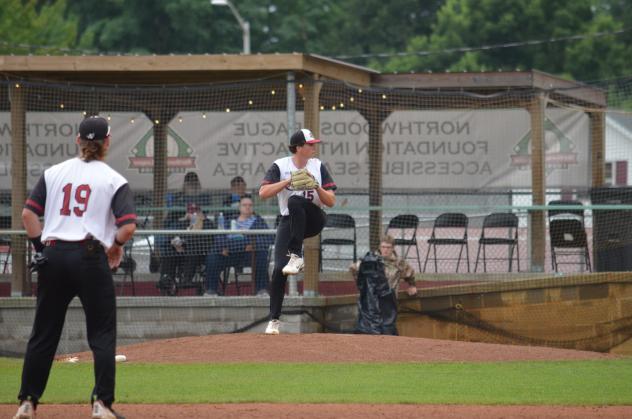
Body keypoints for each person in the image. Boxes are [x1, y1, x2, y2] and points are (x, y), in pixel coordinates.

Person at [14, 116, 136, 419]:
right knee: (102, 335)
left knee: (43, 334)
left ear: (77, 140)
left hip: (54, 255)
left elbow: (28, 216)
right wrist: (116, 246)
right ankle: (101, 404)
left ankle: (27, 402)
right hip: (89, 256)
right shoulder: (112, 179)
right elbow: (128, 226)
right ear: (107, 142)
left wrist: (43, 249)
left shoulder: (54, 173)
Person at [259, 128, 337, 334]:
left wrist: (316, 186)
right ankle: (274, 320)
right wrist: (288, 181)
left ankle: (296, 255)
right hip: (290, 222)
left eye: (313, 144)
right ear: (298, 147)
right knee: (279, 269)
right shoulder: (280, 165)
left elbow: (331, 201)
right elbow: (263, 193)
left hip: (314, 217)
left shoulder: (318, 165)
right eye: (310, 144)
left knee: (295, 200)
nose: (314, 147)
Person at [156, 171, 212, 295]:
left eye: (194, 182)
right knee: (168, 246)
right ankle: (166, 279)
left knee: (193, 244)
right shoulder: (178, 199)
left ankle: (187, 278)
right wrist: (175, 238)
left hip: (197, 241)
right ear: (185, 184)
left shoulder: (205, 198)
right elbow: (168, 223)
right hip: (177, 238)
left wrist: (198, 217)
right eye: (189, 182)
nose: (192, 185)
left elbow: (209, 222)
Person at [205, 195, 273, 296]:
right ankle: (211, 290)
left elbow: (268, 238)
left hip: (249, 255)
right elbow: (219, 238)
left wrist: (252, 244)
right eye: (244, 205)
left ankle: (261, 290)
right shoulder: (229, 221)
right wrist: (223, 247)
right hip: (230, 254)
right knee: (213, 255)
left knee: (262, 254)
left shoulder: (259, 221)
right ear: (239, 207)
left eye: (250, 205)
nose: (247, 207)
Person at [350, 234, 418, 297]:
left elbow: (410, 274)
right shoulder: (371, 260)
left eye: (388, 247)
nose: (385, 250)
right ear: (379, 247)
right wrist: (363, 286)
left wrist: (412, 286)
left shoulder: (399, 263)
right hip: (372, 299)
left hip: (389, 301)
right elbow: (353, 268)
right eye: (383, 247)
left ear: (393, 248)